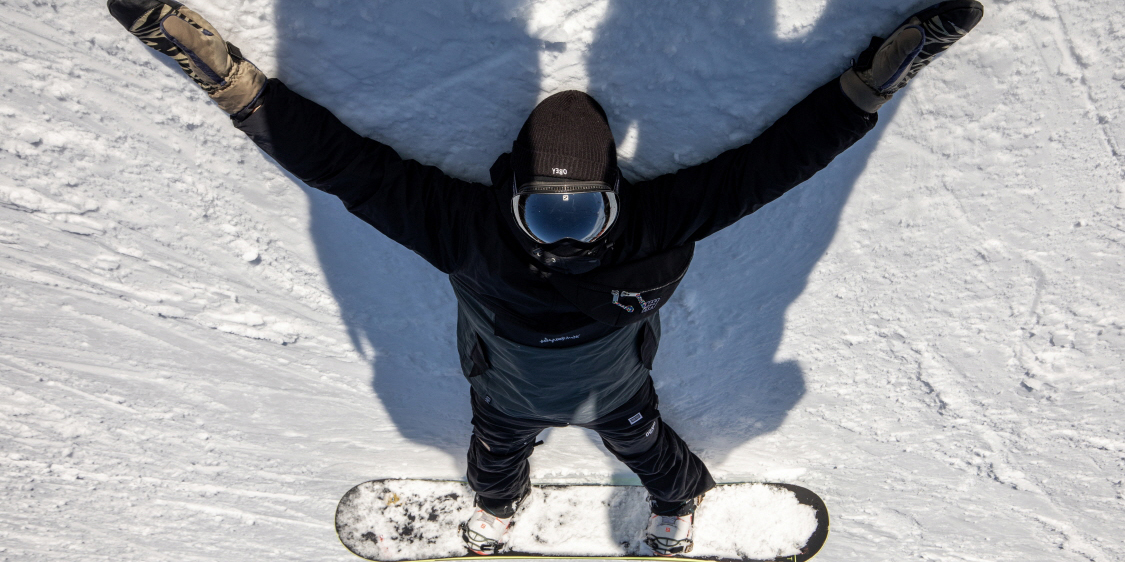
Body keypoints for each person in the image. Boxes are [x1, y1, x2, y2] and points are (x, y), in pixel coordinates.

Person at [106, 0, 982, 555]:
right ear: (513, 189)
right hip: (536, 391)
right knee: (517, 454)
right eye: (547, 215)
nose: (564, 239)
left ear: (611, 197)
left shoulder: (579, 225)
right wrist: (231, 82)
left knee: (636, 453)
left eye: (581, 218)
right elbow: (339, 162)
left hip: (588, 389)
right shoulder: (476, 229)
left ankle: (653, 511)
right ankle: (498, 514)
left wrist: (876, 76)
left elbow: (780, 162)